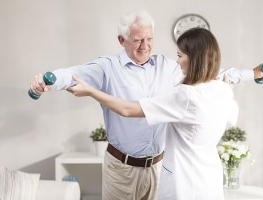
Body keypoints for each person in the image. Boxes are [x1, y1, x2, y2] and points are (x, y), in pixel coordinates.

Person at [29, 10, 263, 200]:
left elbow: (209, 75)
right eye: (137, 40)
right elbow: (73, 74)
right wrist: (46, 81)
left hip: (159, 167)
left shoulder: (170, 67)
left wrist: (251, 74)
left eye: (149, 39)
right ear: (121, 40)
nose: (145, 45)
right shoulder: (107, 67)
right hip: (122, 169)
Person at [67, 27, 238, 200]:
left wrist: (91, 91)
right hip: (209, 179)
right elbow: (230, 120)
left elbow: (127, 109)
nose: (177, 62)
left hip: (183, 182)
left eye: (180, 56)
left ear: (195, 59)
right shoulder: (223, 90)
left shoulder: (185, 95)